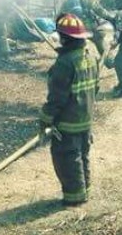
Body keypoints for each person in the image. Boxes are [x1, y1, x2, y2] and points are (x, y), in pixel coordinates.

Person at [39, 13, 99, 206]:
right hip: (85, 118)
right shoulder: (89, 57)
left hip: (68, 122)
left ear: (65, 38)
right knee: (82, 155)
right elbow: (95, 88)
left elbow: (57, 98)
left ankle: (75, 198)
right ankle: (85, 190)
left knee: (67, 158)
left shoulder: (64, 64)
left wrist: (46, 117)